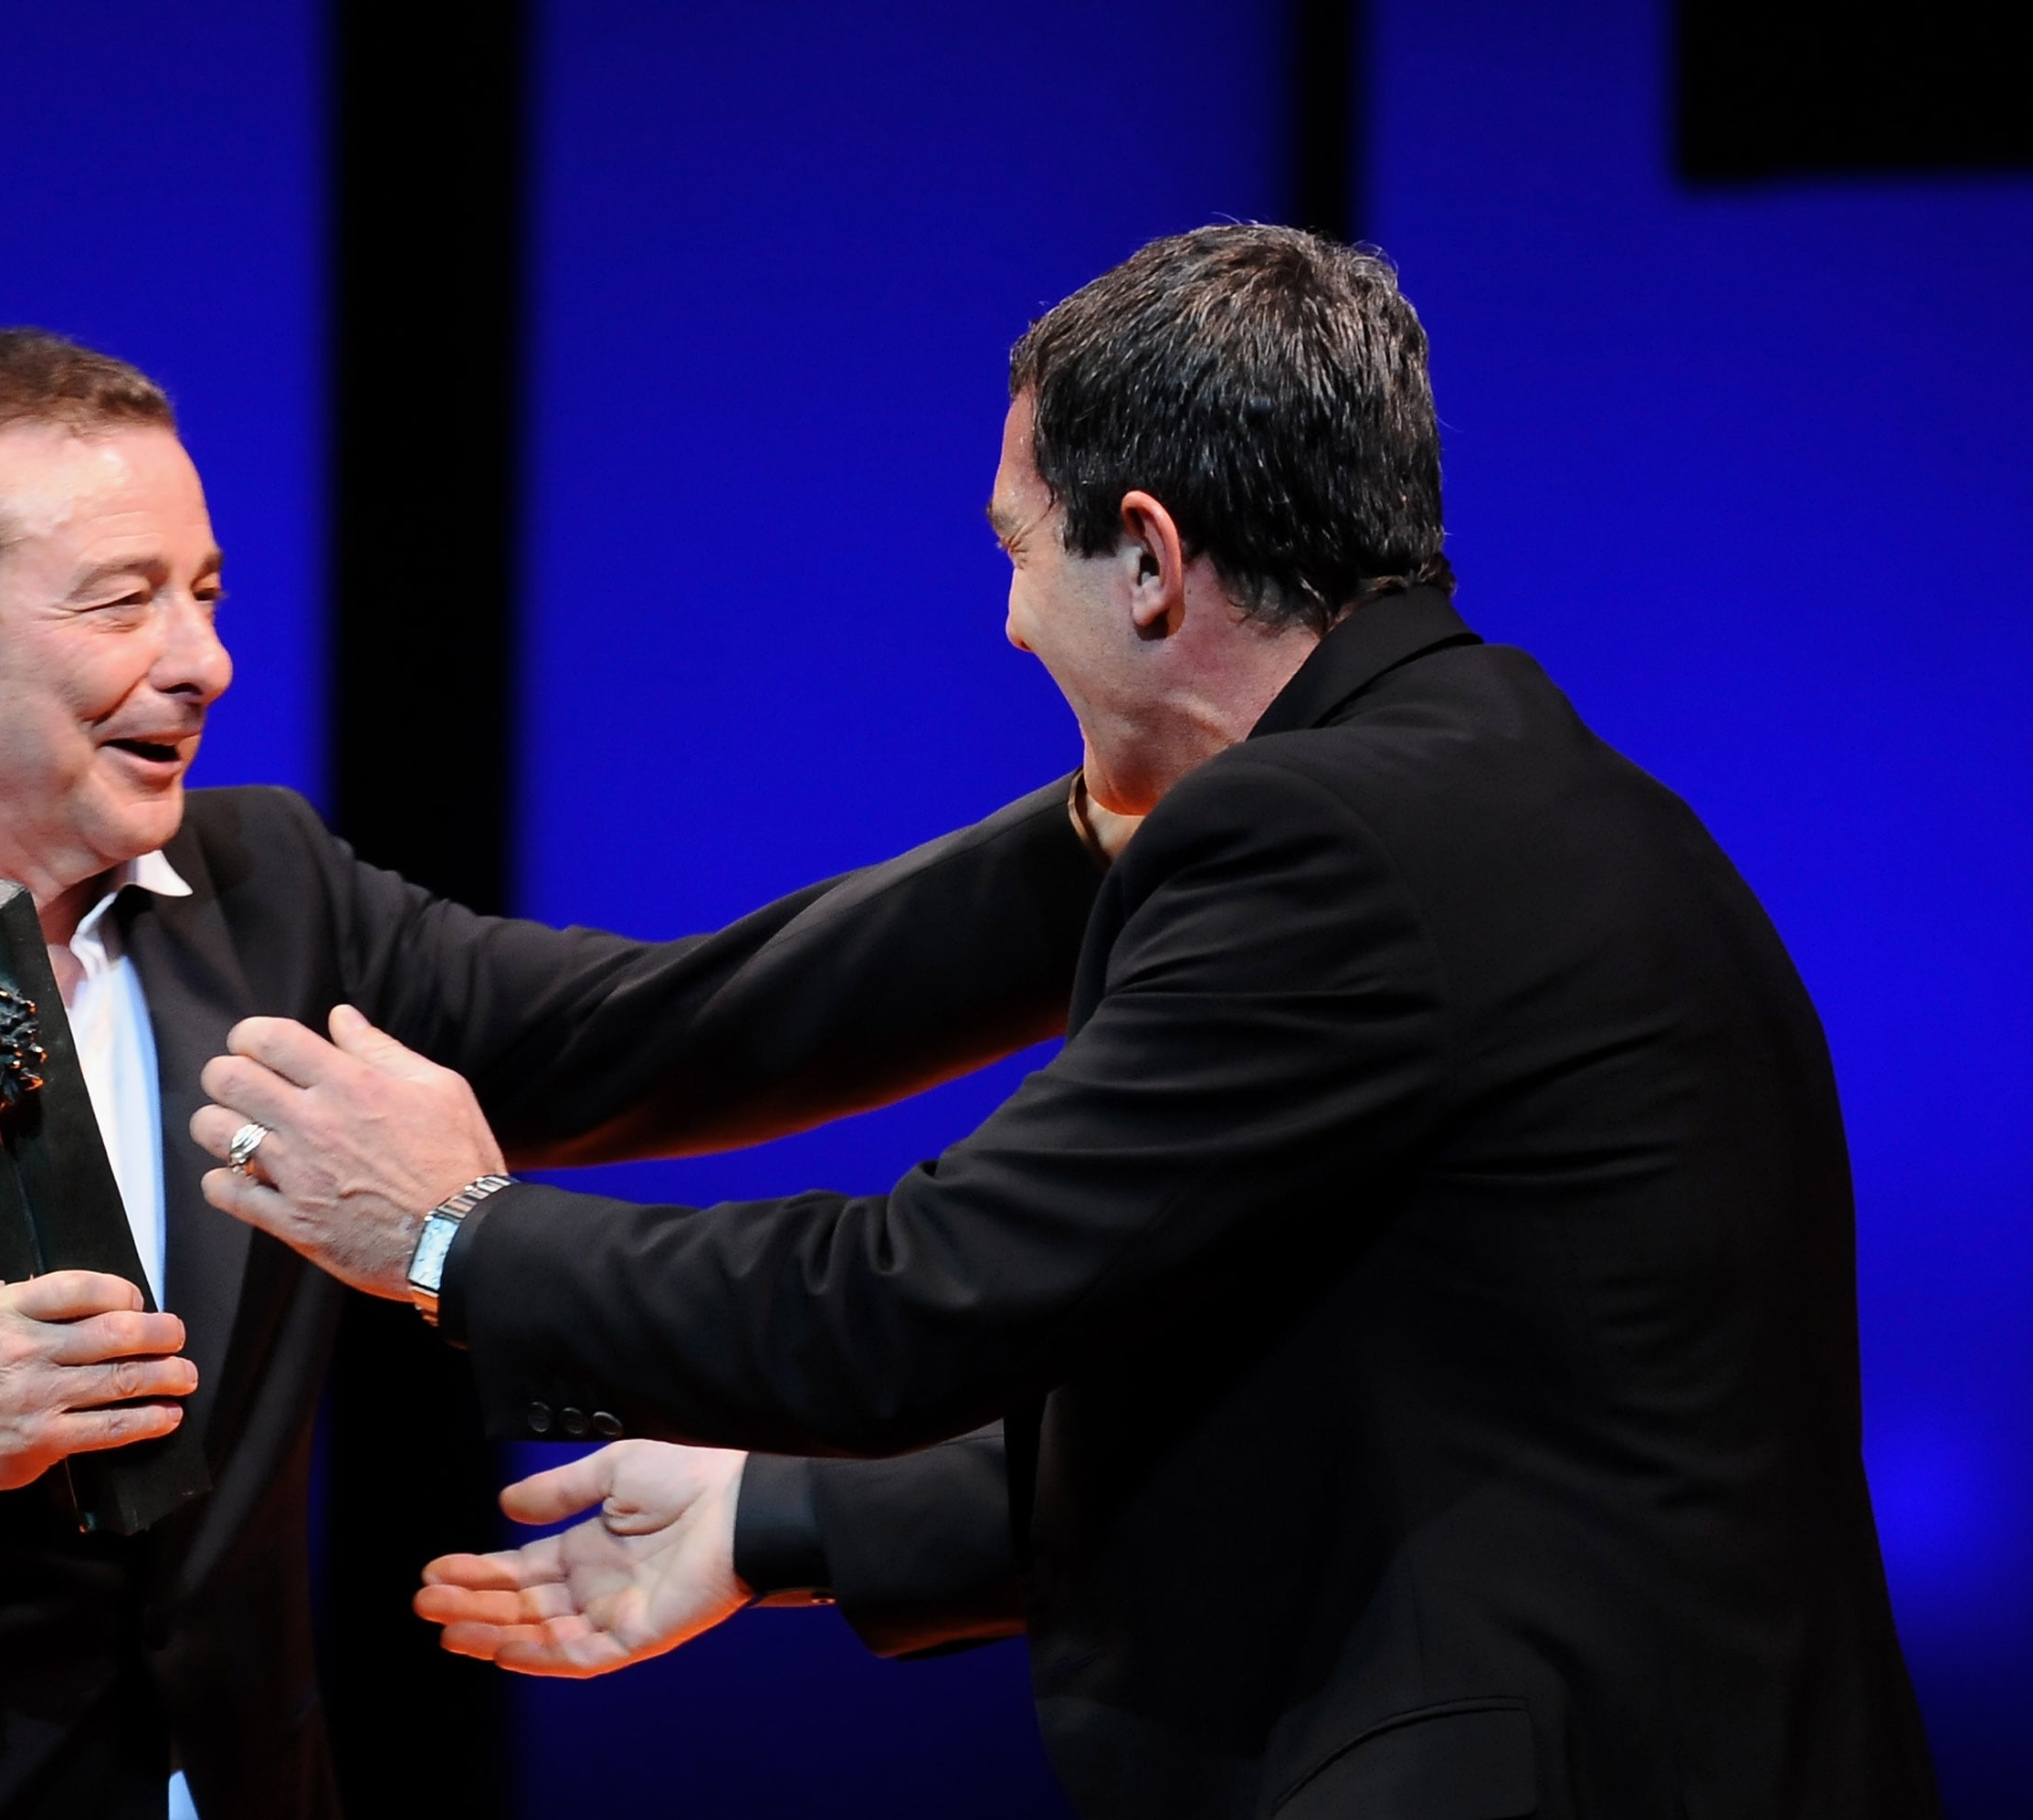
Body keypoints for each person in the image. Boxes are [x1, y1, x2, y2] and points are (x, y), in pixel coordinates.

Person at [194, 226, 1943, 1818]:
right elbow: (1334, 1401)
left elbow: (915, 1298)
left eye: (1020, 548)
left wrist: (449, 1237)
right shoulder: (1542, 791)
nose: (1010, 615)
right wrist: (769, 1520)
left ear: (1153, 562)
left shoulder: (1324, 844)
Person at [0, 328, 1131, 1817]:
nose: (204, 661)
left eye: (208, 591)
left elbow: (687, 1024)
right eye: (121, 600)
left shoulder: (267, 897)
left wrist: (1117, 833)